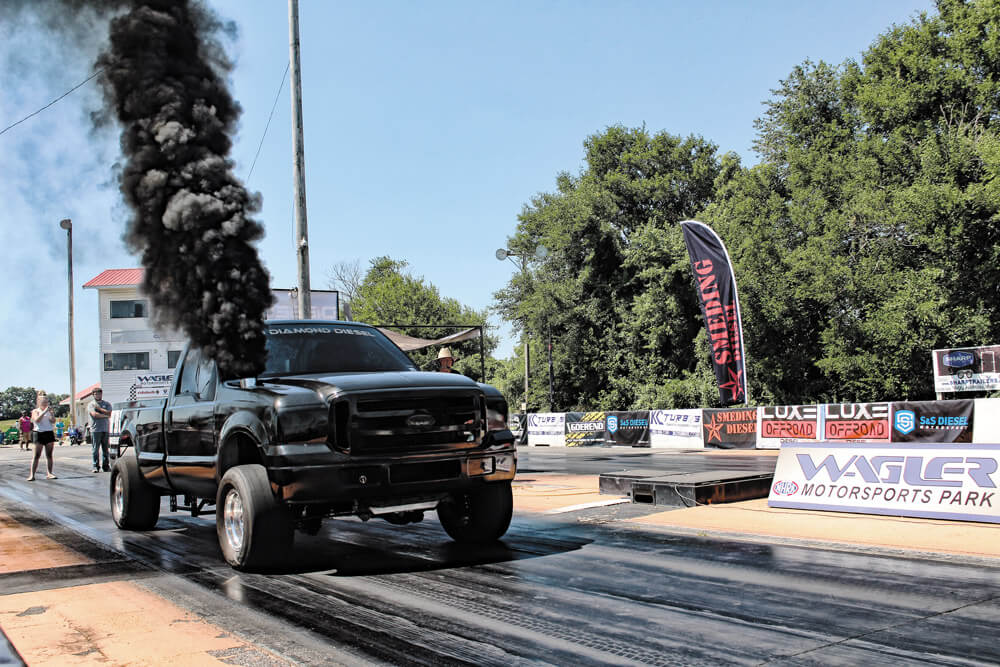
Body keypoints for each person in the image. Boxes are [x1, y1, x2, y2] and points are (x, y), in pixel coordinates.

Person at [28, 393, 57, 481]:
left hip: (48, 433)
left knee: (49, 455)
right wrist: (44, 412)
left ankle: (50, 473)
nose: (45, 403)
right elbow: (37, 420)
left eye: (46, 401)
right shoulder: (35, 411)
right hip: (38, 433)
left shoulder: (50, 411)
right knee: (36, 455)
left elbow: (53, 421)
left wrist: (51, 414)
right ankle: (32, 475)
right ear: (39, 402)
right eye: (43, 401)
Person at [87, 387, 113, 473]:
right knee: (95, 449)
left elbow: (110, 412)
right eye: (96, 394)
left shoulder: (107, 404)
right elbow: (94, 415)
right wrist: (105, 415)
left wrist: (99, 409)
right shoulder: (91, 404)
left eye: (99, 393)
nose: (98, 395)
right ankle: (95, 466)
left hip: (105, 429)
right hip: (95, 429)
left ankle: (106, 466)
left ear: (101, 394)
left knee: (105, 449)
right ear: (93, 395)